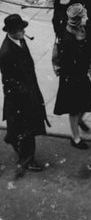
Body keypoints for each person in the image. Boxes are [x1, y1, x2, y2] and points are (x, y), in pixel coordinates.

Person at [0, 14, 48, 176]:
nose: (23, 32)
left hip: (28, 90)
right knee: (27, 127)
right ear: (11, 32)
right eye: (19, 30)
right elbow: (8, 79)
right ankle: (27, 160)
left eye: (22, 29)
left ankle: (13, 139)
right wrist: (24, 93)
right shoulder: (6, 52)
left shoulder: (21, 41)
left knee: (23, 126)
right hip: (19, 96)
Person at [52, 4, 91, 148]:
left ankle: (79, 120)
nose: (86, 18)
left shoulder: (80, 29)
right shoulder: (68, 40)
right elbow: (68, 63)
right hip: (72, 77)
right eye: (84, 16)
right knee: (74, 108)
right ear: (78, 19)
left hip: (80, 73)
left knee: (89, 99)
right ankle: (75, 137)